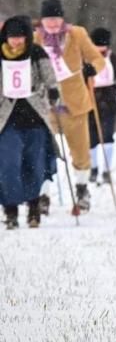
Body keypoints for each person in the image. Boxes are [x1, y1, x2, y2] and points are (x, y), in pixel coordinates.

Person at [34, 0, 105, 211]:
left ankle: (82, 188)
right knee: (43, 149)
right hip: (45, 103)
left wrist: (92, 69)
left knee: (80, 150)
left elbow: (97, 59)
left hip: (75, 101)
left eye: (56, 19)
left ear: (62, 18)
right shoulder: (35, 38)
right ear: (42, 21)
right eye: (48, 20)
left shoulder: (77, 34)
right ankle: (42, 194)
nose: (53, 25)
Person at [0, 16, 58, 228]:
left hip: (34, 117)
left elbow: (50, 77)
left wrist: (53, 91)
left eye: (20, 37)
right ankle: (11, 209)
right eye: (11, 38)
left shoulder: (37, 53)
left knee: (35, 165)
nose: (15, 42)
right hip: (7, 120)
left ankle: (34, 207)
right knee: (9, 165)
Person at [88, 27, 116, 184]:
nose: (101, 49)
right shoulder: (86, 58)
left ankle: (106, 170)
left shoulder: (114, 58)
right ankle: (93, 168)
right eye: (98, 46)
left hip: (109, 100)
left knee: (107, 135)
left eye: (103, 46)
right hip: (90, 100)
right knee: (91, 137)